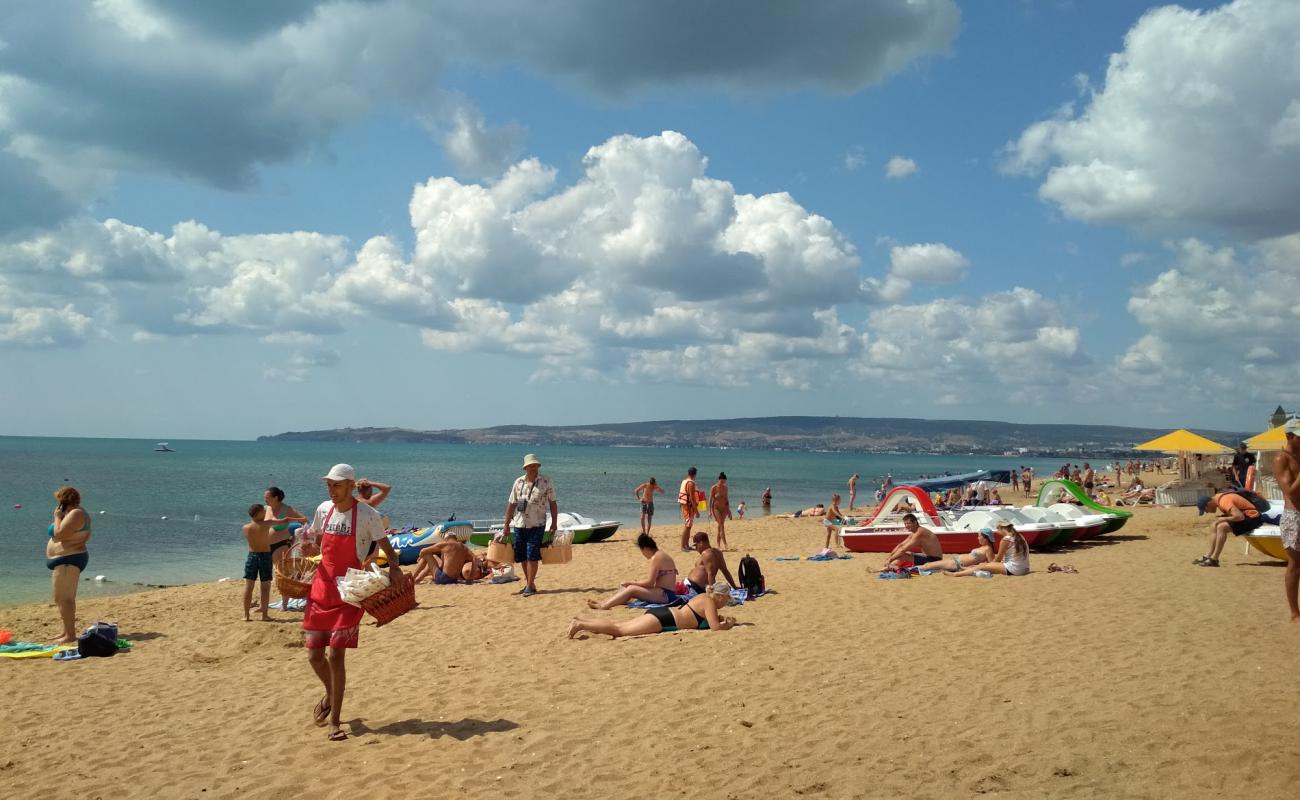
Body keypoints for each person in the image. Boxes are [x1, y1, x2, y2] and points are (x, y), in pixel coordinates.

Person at [300, 464, 402, 741]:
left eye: (336, 485)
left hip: (349, 590)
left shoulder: (369, 515)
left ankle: (335, 722)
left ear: (350, 485)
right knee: (314, 655)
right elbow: (318, 546)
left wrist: (394, 571)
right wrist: (308, 547)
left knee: (335, 655)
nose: (331, 490)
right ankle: (331, 693)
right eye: (329, 485)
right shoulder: (323, 510)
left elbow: (389, 552)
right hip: (321, 586)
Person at [567, 582, 736, 639]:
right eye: (727, 600)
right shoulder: (709, 603)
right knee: (619, 630)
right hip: (664, 620)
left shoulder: (704, 598)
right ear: (720, 597)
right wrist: (728, 624)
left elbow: (706, 619)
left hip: (664, 615)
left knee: (619, 626)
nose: (726, 604)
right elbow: (715, 628)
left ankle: (583, 622)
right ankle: (580, 624)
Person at [505, 453, 558, 596]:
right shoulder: (518, 482)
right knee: (522, 556)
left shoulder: (546, 481)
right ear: (525, 468)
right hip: (520, 524)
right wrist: (506, 525)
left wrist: (554, 522)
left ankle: (529, 585)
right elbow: (511, 504)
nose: (534, 468)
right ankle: (530, 584)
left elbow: (553, 503)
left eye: (536, 465)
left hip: (537, 524)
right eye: (531, 466)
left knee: (532, 555)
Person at [586, 533, 679, 609]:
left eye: (641, 550)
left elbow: (650, 583)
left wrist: (632, 583)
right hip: (665, 593)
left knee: (631, 589)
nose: (643, 554)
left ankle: (604, 605)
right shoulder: (662, 555)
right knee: (629, 586)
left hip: (665, 595)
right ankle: (605, 602)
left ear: (645, 548)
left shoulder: (656, 558)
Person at [47, 485, 91, 644]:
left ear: (64, 500)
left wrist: (57, 516)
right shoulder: (72, 513)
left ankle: (70, 635)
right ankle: (66, 631)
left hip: (69, 559)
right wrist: (61, 516)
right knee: (60, 598)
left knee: (65, 599)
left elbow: (60, 534)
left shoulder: (77, 514)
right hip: (65, 559)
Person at [242, 503, 295, 621]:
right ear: (259, 513)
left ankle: (246, 616)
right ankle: (264, 615)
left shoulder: (246, 528)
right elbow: (283, 521)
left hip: (252, 556)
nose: (265, 512)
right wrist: (299, 518)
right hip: (265, 556)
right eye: (263, 510)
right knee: (265, 586)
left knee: (249, 586)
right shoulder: (267, 524)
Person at [1272, 418, 1300, 622]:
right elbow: (1289, 491)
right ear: (1289, 436)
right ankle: (1294, 612)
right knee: (1295, 565)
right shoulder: (1281, 459)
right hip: (1294, 516)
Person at [1192, 491, 1264, 567]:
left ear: (1209, 503)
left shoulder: (1224, 501)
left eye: (1206, 510)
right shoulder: (1218, 498)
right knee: (1214, 525)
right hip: (1246, 516)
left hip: (1253, 518)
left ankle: (1214, 559)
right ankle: (1209, 555)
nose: (1207, 512)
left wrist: (1222, 519)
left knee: (1222, 527)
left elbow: (1240, 517)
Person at [263, 487, 307, 610]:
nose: (265, 499)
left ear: (276, 498)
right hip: (267, 545)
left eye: (267, 497)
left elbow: (304, 520)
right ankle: (287, 599)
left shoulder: (287, 509)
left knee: (282, 573)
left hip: (281, 543)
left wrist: (298, 537)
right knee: (274, 573)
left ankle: (284, 604)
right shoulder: (267, 509)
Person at [947, 522, 1029, 577]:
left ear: (1002, 529)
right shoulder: (1020, 536)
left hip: (1014, 569)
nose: (997, 532)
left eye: (998, 529)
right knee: (982, 566)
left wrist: (988, 565)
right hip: (1024, 569)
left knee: (983, 566)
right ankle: (965, 569)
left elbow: (998, 559)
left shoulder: (1006, 540)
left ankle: (957, 574)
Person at [412, 539, 488, 585]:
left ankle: (413, 578)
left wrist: (419, 558)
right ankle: (417, 580)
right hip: (454, 580)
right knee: (431, 564)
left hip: (442, 579)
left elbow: (423, 551)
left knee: (427, 555)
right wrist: (470, 579)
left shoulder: (444, 544)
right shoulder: (464, 548)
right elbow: (475, 558)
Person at [923, 528, 997, 573]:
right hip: (956, 561)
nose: (978, 538)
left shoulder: (988, 549)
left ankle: (912, 571)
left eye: (979, 536)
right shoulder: (984, 547)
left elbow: (991, 565)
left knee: (929, 565)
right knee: (930, 565)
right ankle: (913, 570)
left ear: (986, 538)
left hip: (957, 564)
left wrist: (972, 567)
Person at [709, 472, 733, 550]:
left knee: (720, 526)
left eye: (724, 481)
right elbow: (710, 499)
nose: (723, 483)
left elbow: (726, 499)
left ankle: (718, 545)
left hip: (724, 509)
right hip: (716, 508)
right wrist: (709, 511)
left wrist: (729, 510)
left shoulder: (725, 488)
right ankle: (725, 544)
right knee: (721, 525)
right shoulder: (714, 487)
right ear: (719, 480)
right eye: (722, 481)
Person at [678, 467, 699, 551]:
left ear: (688, 473)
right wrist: (696, 511)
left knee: (689, 526)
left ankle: (686, 545)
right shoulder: (691, 483)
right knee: (687, 526)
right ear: (695, 474)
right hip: (688, 507)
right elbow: (692, 498)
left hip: (685, 506)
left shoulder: (684, 481)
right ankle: (683, 546)